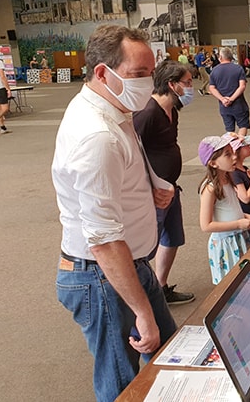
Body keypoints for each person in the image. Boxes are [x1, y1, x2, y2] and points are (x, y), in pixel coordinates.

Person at [51, 24, 177, 402]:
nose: (148, 83)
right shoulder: (96, 136)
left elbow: (126, 159)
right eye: (138, 75)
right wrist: (142, 311)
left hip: (128, 265)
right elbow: (103, 240)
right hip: (102, 276)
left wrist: (151, 181)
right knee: (122, 382)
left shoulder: (112, 106)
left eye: (150, 73)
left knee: (171, 355)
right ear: (103, 72)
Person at [133, 60, 195, 305]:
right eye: (187, 83)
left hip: (170, 187)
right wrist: (149, 188)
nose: (191, 87)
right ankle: (142, 297)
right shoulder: (147, 113)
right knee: (146, 246)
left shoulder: (173, 110)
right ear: (172, 84)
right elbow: (132, 153)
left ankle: (160, 287)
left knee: (173, 238)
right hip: (154, 193)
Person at [198, 135, 250, 284]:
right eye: (227, 154)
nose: (234, 157)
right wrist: (239, 224)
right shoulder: (210, 189)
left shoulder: (229, 178)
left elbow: (230, 209)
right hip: (226, 244)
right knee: (230, 285)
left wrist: (247, 216)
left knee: (245, 281)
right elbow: (206, 225)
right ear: (213, 163)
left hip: (239, 237)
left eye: (232, 152)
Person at [228, 133, 250, 247]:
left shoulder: (244, 169)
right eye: (245, 145)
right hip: (245, 220)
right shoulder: (234, 174)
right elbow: (245, 198)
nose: (249, 146)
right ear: (236, 151)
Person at [209, 47, 250, 136]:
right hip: (239, 104)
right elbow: (242, 86)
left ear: (220, 57)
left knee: (229, 130)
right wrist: (231, 99)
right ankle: (239, 146)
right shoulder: (238, 69)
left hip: (224, 106)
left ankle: (231, 148)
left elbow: (212, 88)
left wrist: (223, 99)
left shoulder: (214, 71)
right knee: (243, 126)